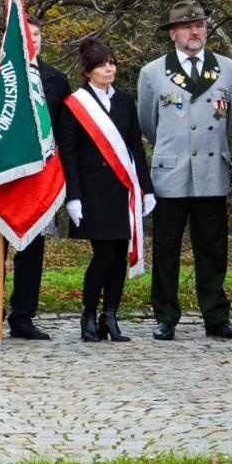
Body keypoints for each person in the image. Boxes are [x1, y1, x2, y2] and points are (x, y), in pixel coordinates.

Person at [137, 1, 232, 340]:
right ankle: (166, 316)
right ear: (173, 34)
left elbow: (229, 119)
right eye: (186, 26)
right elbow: (148, 123)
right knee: (166, 248)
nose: (195, 31)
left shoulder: (227, 68)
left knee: (212, 248)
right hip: (172, 171)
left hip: (211, 169)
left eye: (200, 25)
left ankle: (216, 316)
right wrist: (174, 147)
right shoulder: (153, 72)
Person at [0, 18, 72, 340]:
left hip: (37, 178)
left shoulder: (55, 78)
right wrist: (5, 100)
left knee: (31, 251)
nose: (32, 40)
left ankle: (23, 316)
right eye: (26, 35)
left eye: (36, 35)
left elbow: (65, 128)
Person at [58, 39, 155, 342]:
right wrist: (73, 197)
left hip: (122, 189)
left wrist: (146, 188)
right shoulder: (74, 105)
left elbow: (135, 147)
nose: (109, 69)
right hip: (92, 192)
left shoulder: (124, 101)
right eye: (102, 65)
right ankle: (88, 315)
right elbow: (68, 155)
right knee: (103, 255)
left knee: (118, 255)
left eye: (112, 63)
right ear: (88, 71)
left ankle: (110, 315)